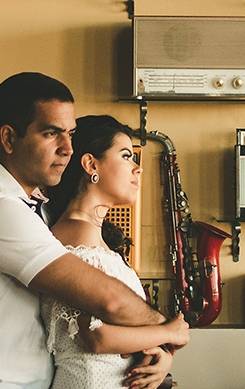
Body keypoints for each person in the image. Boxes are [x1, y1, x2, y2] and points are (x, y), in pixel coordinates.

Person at [0, 73, 186, 389]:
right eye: (51, 133)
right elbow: (109, 304)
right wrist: (169, 331)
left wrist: (161, 347)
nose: (67, 149)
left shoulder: (36, 207)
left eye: (71, 134)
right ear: (8, 138)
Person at [42, 115, 188, 389]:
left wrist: (162, 355)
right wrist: (169, 332)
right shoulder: (78, 235)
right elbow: (97, 337)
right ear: (91, 164)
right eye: (126, 156)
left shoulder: (93, 237)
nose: (138, 168)